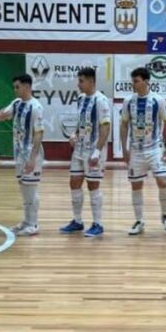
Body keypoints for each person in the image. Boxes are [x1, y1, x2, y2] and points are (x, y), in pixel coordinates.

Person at [0, 74, 44, 237]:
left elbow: (38, 134)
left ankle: (34, 224)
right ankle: (26, 221)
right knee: (24, 189)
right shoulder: (16, 104)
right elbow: (0, 116)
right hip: (19, 154)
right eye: (14, 87)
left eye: (17, 86)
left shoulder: (36, 107)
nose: (15, 90)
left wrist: (32, 158)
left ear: (27, 86)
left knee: (31, 189)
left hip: (31, 154)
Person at [120, 66, 166, 235]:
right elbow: (124, 125)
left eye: (136, 81)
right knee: (136, 185)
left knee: (163, 182)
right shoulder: (128, 101)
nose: (133, 84)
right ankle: (139, 220)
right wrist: (124, 149)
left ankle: (165, 215)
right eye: (132, 81)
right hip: (136, 150)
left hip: (155, 149)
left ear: (146, 81)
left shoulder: (158, 100)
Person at [59, 67, 112, 238]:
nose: (78, 84)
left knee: (92, 185)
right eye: (78, 80)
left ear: (91, 81)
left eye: (81, 81)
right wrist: (74, 134)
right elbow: (81, 122)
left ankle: (98, 223)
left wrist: (97, 151)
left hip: (93, 150)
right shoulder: (81, 99)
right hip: (79, 149)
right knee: (74, 182)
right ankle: (77, 221)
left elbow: (106, 127)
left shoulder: (101, 101)